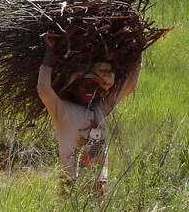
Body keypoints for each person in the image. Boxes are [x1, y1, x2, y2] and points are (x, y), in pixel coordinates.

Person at [37, 34, 141, 198]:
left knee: (99, 192)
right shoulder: (63, 111)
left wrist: (137, 56)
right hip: (70, 177)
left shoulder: (99, 108)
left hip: (98, 179)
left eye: (94, 85)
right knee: (67, 192)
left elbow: (128, 87)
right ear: (72, 87)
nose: (89, 90)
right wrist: (50, 51)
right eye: (84, 85)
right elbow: (43, 89)